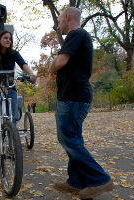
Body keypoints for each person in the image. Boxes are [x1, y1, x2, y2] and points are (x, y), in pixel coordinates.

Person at [49, 7, 113, 199]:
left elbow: (60, 62)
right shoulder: (79, 36)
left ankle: (99, 180)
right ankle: (76, 182)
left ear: (67, 17)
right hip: (75, 96)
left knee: (67, 138)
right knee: (74, 138)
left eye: (59, 21)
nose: (58, 25)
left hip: (73, 97)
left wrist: (51, 67)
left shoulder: (77, 34)